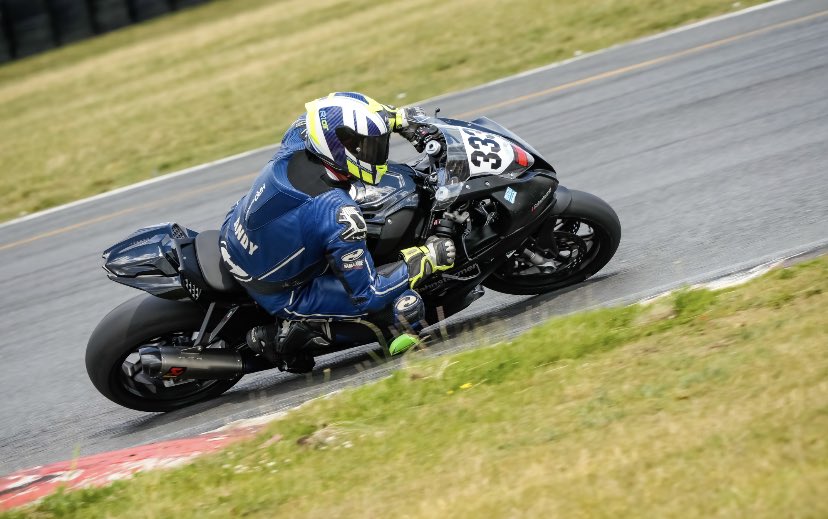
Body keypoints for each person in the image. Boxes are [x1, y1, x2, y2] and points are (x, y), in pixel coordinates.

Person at [220, 92, 455, 373]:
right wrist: (427, 257)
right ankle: (291, 336)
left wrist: (398, 119)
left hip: (234, 232)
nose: (376, 151)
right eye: (366, 146)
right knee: (407, 309)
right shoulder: (337, 213)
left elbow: (327, 115)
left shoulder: (300, 137)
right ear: (338, 147)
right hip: (284, 292)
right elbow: (369, 293)